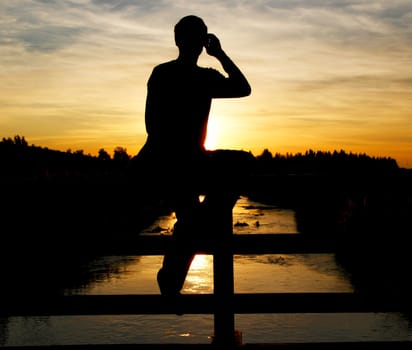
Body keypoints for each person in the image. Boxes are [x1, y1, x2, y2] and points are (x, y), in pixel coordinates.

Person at [133, 15, 253, 297]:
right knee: (193, 215)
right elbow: (242, 87)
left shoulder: (173, 74)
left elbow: (243, 90)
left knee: (237, 165)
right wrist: (220, 54)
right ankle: (173, 275)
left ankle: (172, 276)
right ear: (201, 43)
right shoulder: (189, 76)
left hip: (171, 160)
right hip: (169, 162)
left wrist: (220, 55)